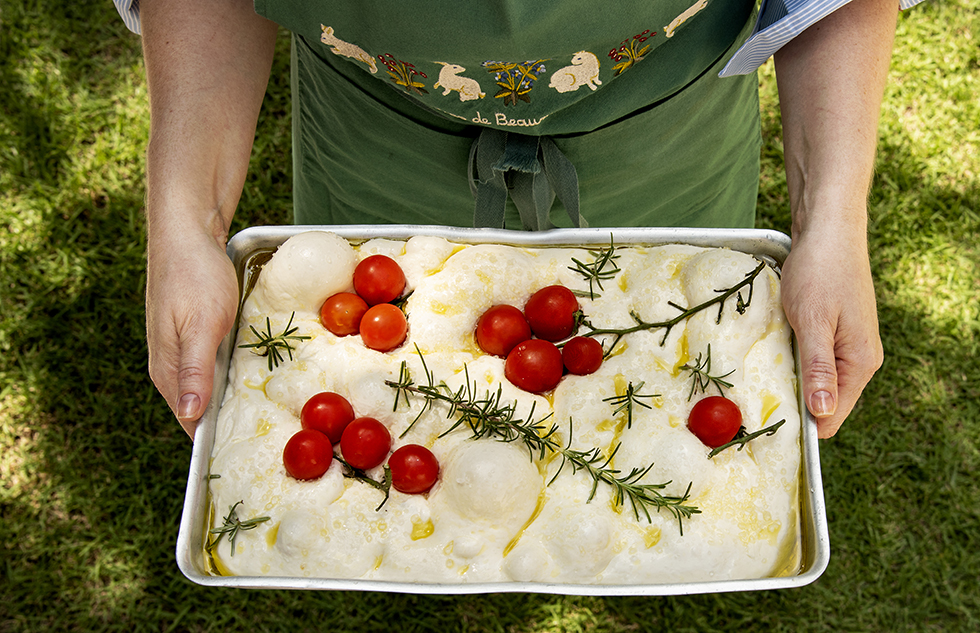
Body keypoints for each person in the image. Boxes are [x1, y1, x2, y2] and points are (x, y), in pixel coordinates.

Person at [114, 0, 919, 440]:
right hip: (376, 145)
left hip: (664, 146)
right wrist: (185, 219)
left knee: (659, 390)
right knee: (391, 402)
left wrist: (834, 223)